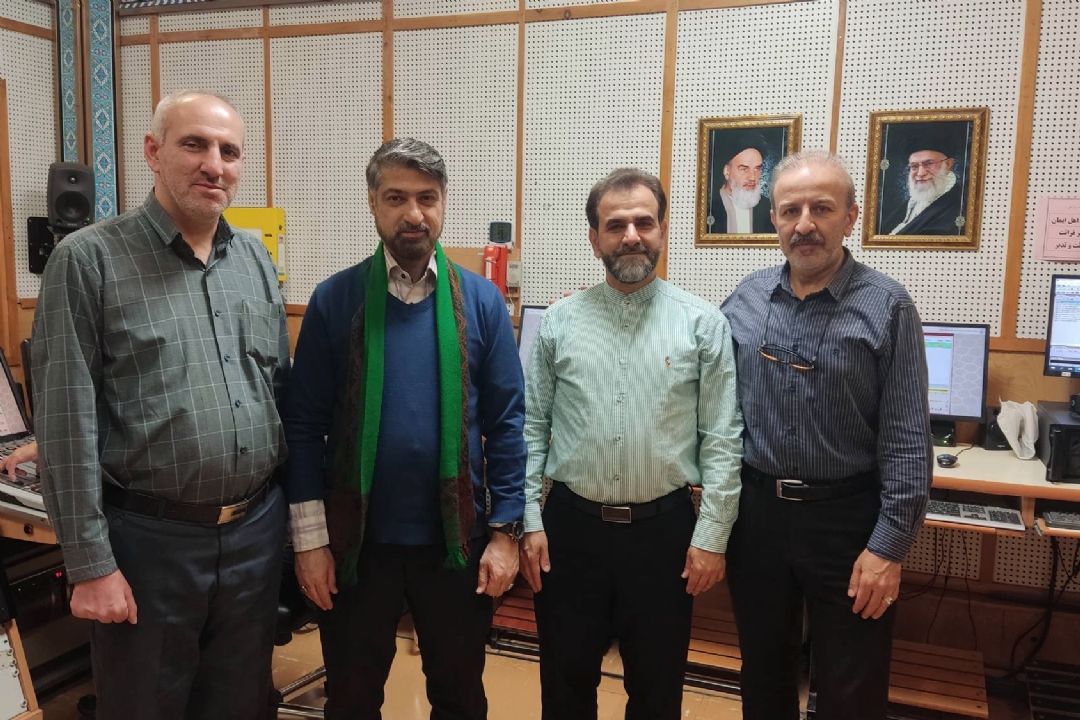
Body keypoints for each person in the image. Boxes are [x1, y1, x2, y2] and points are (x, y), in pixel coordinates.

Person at [31, 91, 290, 720]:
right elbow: (66, 421)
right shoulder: (87, 259)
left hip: (254, 536)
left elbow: (276, 389)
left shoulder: (254, 258)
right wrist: (90, 565)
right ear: (153, 151)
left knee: (240, 706)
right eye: (194, 144)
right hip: (149, 546)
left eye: (230, 152)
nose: (214, 165)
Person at [283, 138, 526, 720]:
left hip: (456, 546)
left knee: (460, 697)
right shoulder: (335, 300)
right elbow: (303, 428)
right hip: (355, 546)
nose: (413, 213)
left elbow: (508, 425)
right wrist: (310, 543)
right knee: (351, 699)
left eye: (427, 198)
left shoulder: (482, 302)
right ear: (373, 203)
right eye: (396, 198)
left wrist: (505, 534)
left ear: (443, 204)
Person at [520, 168, 743, 719]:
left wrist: (712, 536)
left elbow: (722, 438)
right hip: (570, 532)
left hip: (663, 536)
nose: (631, 236)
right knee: (565, 689)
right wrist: (528, 520)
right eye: (615, 225)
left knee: (657, 692)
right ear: (594, 237)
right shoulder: (558, 323)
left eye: (644, 222)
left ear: (663, 229)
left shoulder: (703, 324)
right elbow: (530, 428)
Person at [720, 150, 932, 720]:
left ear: (851, 216)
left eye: (822, 208)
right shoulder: (745, 300)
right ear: (773, 219)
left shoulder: (888, 306)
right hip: (757, 518)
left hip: (849, 522)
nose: (805, 224)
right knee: (763, 674)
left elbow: (908, 440)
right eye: (790, 210)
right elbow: (702, 389)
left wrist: (888, 548)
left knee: (851, 687)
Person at [883, 130, 965, 235]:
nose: (920, 173)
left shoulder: (960, 205)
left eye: (928, 164)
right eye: (914, 166)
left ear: (948, 164)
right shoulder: (913, 201)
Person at [710, 132, 774, 234]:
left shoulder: (768, 208)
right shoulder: (709, 207)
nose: (752, 177)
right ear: (727, 171)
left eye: (757, 169)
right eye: (744, 169)